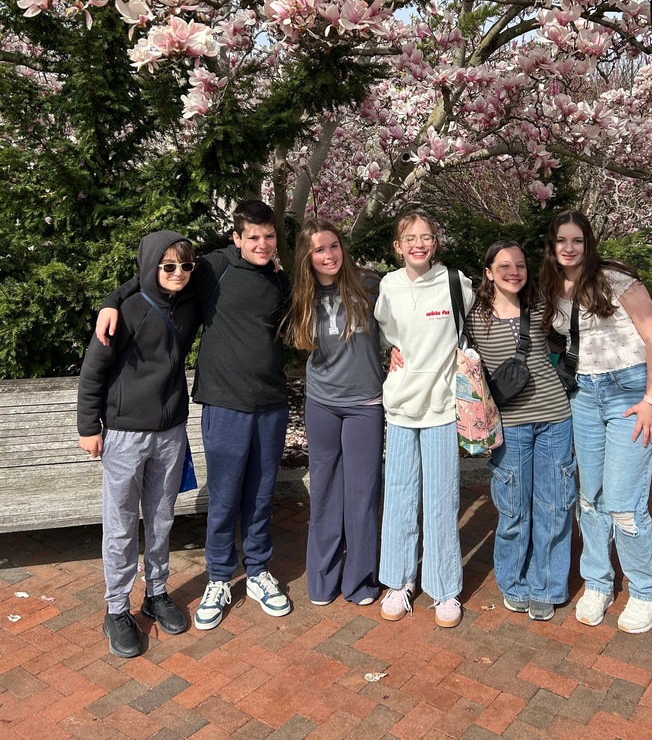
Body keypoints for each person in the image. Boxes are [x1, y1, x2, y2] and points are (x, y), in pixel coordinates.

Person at [96, 200, 292, 630]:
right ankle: (220, 577)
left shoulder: (280, 278)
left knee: (261, 495)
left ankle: (257, 571)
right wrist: (112, 301)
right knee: (224, 496)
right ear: (236, 238)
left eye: (269, 236)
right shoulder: (212, 268)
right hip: (224, 404)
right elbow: (157, 271)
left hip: (272, 404)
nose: (262, 244)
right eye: (253, 237)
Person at [539, 209, 652, 634]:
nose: (569, 248)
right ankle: (598, 581)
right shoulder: (553, 286)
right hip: (585, 396)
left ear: (587, 242)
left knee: (624, 503)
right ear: (552, 246)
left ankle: (648, 589)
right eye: (561, 240)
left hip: (630, 393)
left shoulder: (614, 278)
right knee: (590, 497)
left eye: (576, 240)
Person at [78, 231, 200, 658]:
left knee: (162, 517)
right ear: (151, 267)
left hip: (170, 430)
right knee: (121, 523)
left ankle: (157, 592)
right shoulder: (125, 311)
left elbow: (229, 263)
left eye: (186, 266)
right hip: (125, 433)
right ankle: (116, 609)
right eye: (168, 266)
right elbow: (93, 370)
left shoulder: (189, 302)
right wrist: (88, 427)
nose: (178, 273)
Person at [464, 240, 575, 622]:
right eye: (504, 265)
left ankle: (547, 584)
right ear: (488, 271)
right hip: (509, 424)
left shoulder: (541, 306)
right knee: (513, 508)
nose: (514, 272)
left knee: (555, 505)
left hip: (555, 418)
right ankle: (513, 583)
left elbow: (572, 332)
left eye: (520, 265)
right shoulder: (474, 316)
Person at [374, 211, 474, 628]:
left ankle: (445, 587)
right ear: (397, 247)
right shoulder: (390, 285)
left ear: (436, 242)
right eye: (409, 238)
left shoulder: (456, 283)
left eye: (426, 237)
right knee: (398, 495)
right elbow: (386, 331)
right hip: (400, 406)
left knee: (441, 498)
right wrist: (393, 349)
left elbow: (470, 330)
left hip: (442, 407)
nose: (418, 244)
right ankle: (398, 581)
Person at [291, 219, 384, 606]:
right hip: (322, 404)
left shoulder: (370, 285)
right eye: (319, 249)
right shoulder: (300, 295)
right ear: (307, 257)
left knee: (362, 495)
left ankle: (360, 581)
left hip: (365, 405)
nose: (328, 255)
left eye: (333, 246)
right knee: (325, 492)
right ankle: (323, 580)